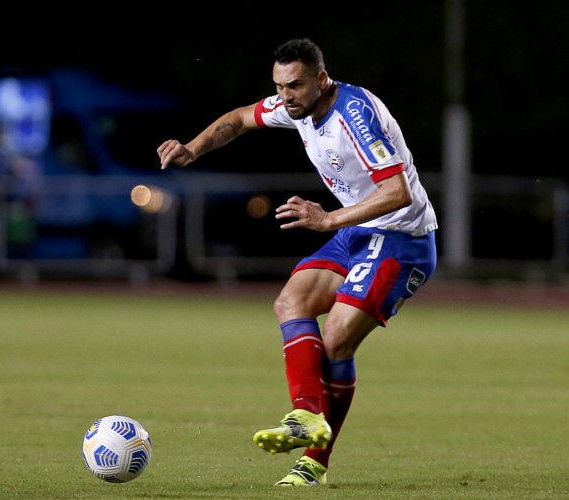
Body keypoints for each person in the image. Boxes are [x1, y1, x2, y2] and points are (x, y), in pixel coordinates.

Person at [157, 38, 438, 487]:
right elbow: (236, 121)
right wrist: (193, 148)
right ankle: (306, 413)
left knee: (337, 339)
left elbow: (397, 193)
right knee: (290, 303)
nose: (285, 96)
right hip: (354, 231)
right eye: (279, 86)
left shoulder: (355, 116)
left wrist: (328, 219)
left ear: (321, 80)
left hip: (401, 240)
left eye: (295, 86)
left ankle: (313, 463)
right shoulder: (295, 106)